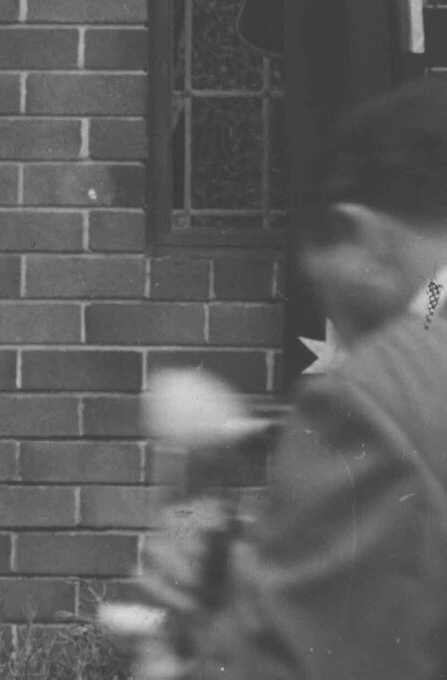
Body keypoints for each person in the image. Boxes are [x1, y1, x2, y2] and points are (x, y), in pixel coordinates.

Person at [141, 75, 447, 680]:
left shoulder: (378, 401)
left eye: (323, 290)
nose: (341, 330)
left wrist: (183, 648)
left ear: (360, 234)